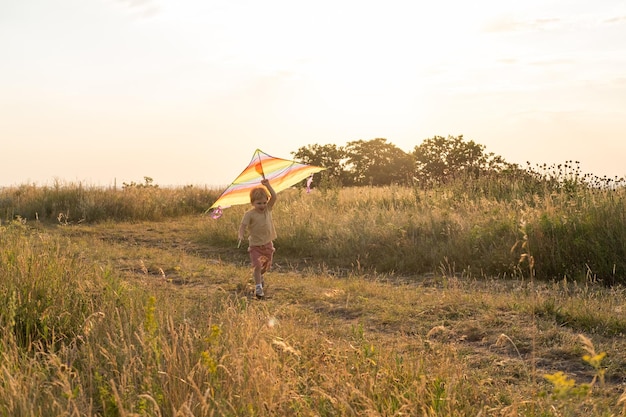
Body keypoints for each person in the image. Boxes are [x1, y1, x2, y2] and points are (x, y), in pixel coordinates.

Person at [238, 179, 277, 298]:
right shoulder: (249, 214)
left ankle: (260, 276)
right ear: (253, 203)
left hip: (267, 244)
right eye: (259, 203)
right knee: (257, 266)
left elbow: (274, 197)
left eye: (264, 202)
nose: (262, 205)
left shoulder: (267, 210)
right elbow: (243, 225)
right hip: (255, 246)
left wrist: (267, 185)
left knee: (265, 267)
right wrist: (240, 234)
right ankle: (258, 288)